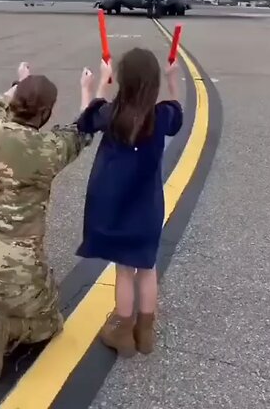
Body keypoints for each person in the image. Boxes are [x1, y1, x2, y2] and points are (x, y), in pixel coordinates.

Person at [0, 61, 95, 382]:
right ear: (45, 114)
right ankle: (5, 328)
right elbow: (82, 130)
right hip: (12, 275)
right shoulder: (47, 149)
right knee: (48, 323)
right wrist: (88, 92)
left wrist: (19, 84)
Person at [75, 47, 183, 357]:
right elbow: (178, 110)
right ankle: (145, 332)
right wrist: (173, 79)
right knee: (146, 268)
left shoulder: (110, 114)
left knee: (124, 272)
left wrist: (93, 87)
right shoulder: (162, 116)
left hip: (115, 209)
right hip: (147, 208)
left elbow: (84, 121)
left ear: (121, 80)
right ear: (153, 84)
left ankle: (123, 330)